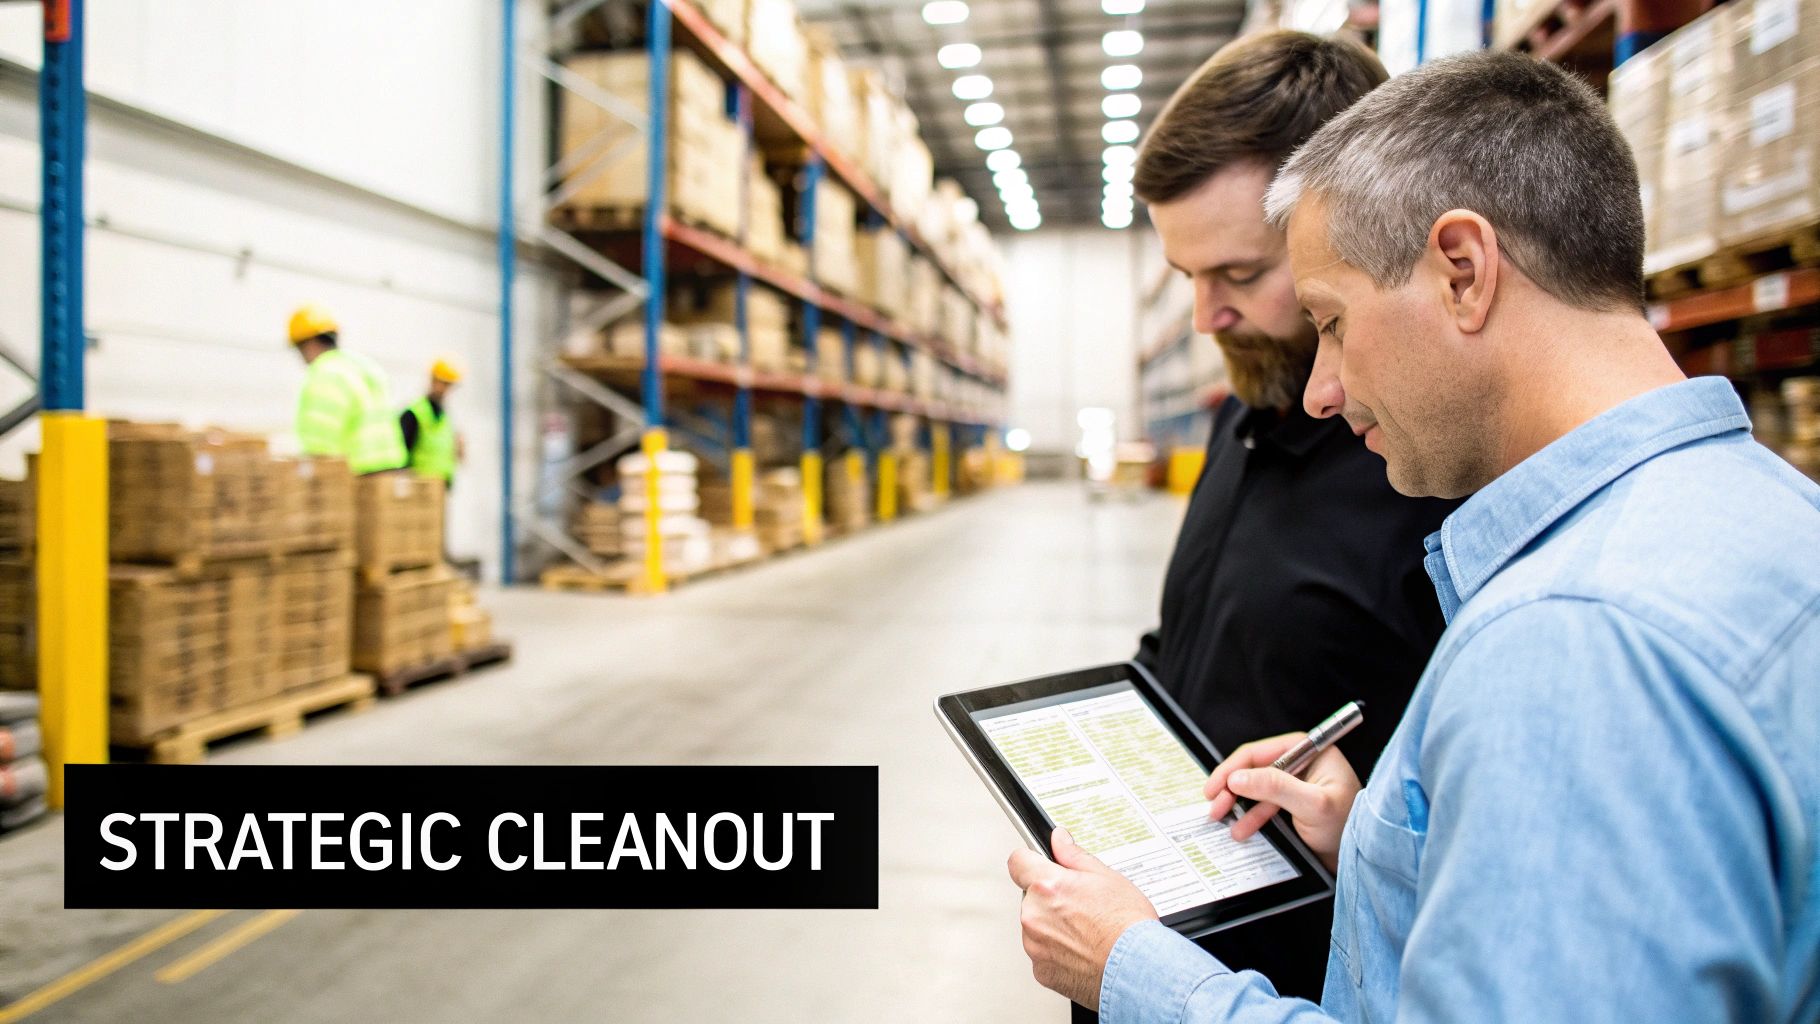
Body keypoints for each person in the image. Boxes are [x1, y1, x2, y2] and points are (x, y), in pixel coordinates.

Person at [1008, 51, 1820, 1023]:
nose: (1319, 386)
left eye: (1333, 322)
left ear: (1461, 272)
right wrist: (1376, 837)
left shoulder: (1571, 642)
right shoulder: (1760, 506)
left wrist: (1140, 973)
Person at [1107, 30, 1458, 1010]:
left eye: (1235, 275)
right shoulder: (1245, 420)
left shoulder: (1432, 466)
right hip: (1163, 949)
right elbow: (1198, 645)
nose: (1202, 319)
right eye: (1186, 279)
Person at [288, 304, 407, 475]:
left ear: (309, 344)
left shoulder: (325, 371)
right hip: (390, 471)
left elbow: (320, 440)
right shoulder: (365, 366)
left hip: (357, 475)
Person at [401, 358, 464, 490]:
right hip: (419, 488)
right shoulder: (414, 413)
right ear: (433, 380)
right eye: (444, 383)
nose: (446, 389)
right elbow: (401, 453)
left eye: (450, 385)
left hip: (441, 487)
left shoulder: (445, 417)